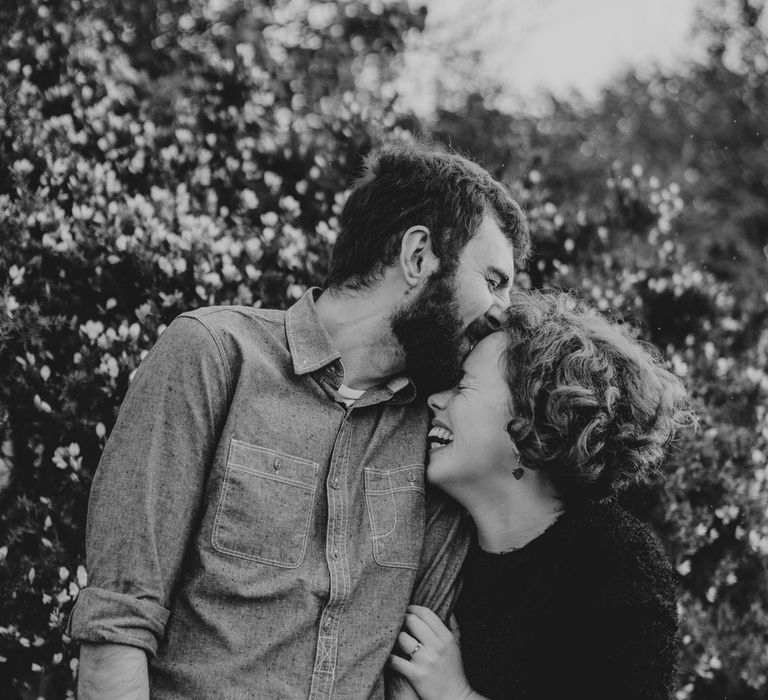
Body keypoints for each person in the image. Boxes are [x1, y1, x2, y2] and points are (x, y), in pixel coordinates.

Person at [67, 140, 530, 699]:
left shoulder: (441, 434)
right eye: (495, 280)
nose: (503, 309)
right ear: (418, 257)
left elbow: (409, 677)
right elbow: (117, 627)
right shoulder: (213, 355)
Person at [390, 289, 695, 700]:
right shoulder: (442, 535)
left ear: (530, 422)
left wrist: (456, 695)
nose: (436, 400)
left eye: (463, 386)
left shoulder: (616, 567)